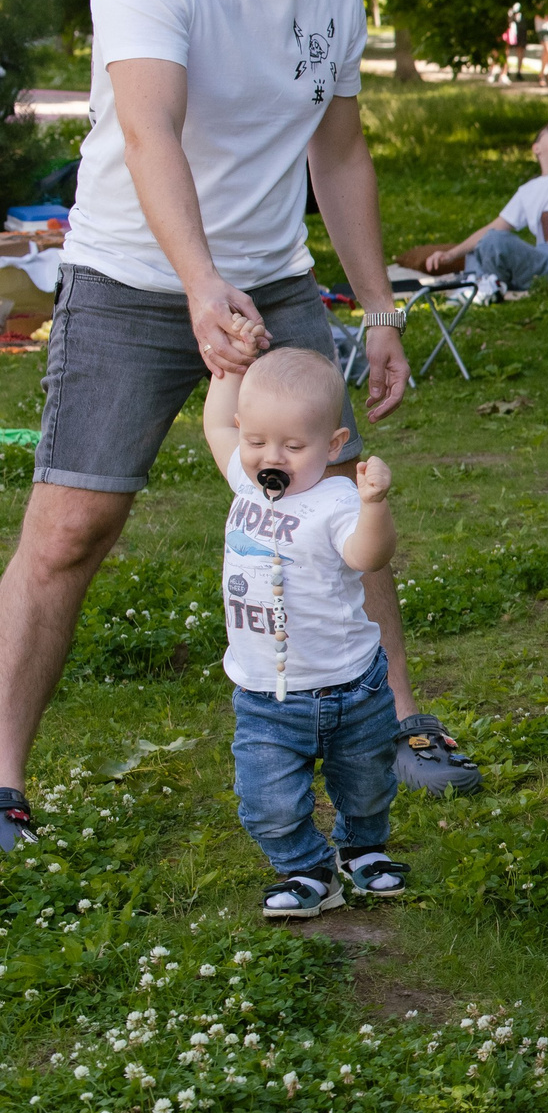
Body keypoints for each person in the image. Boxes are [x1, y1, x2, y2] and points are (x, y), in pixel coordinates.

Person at [0, 0, 482, 858]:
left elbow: (341, 150)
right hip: (131, 274)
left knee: (340, 506)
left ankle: (400, 717)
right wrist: (199, 281)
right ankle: (2, 776)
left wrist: (382, 308)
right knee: (71, 527)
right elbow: (150, 129)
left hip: (271, 279)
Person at [206, 347, 408, 918]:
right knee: (267, 798)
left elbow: (369, 557)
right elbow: (219, 422)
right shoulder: (245, 485)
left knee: (366, 782)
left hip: (351, 687)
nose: (271, 458)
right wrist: (227, 369)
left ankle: (363, 848)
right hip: (265, 696)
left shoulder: (336, 500)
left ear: (334, 445)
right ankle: (304, 867)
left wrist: (374, 504)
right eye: (258, 443)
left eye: (294, 447)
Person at [416, 122, 548, 289]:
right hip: (540, 265)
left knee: (494, 242)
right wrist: (451, 254)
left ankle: (481, 286)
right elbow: (494, 227)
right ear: (536, 148)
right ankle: (485, 284)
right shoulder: (528, 190)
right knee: (483, 244)